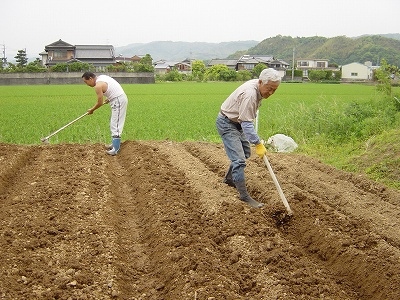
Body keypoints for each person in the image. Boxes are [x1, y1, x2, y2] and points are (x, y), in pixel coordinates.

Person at [216, 68, 281, 208]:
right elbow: (246, 123)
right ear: (260, 82)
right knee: (239, 160)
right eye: (269, 89)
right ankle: (244, 196)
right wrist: (258, 143)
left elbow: (246, 120)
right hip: (227, 123)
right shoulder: (250, 94)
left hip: (237, 122)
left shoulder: (258, 87)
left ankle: (229, 179)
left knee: (245, 153)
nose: (270, 93)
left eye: (274, 90)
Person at [82, 72, 128, 156]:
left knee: (115, 124)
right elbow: (111, 87)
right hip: (117, 98)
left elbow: (99, 103)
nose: (87, 84)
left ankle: (116, 149)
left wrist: (92, 110)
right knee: (113, 123)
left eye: (86, 82)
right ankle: (114, 144)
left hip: (118, 100)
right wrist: (109, 98)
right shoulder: (102, 77)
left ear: (90, 79)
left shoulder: (98, 86)